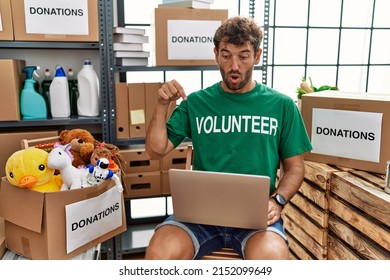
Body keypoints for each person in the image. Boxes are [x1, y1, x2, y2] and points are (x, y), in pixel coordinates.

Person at [145, 16, 312, 260]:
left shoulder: (282, 105)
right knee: (160, 253)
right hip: (198, 218)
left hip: (255, 220)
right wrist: (161, 104)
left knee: (274, 257)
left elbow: (296, 168)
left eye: (243, 56)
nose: (234, 66)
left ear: (257, 56)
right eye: (226, 55)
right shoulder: (197, 103)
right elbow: (155, 150)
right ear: (216, 55)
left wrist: (277, 201)